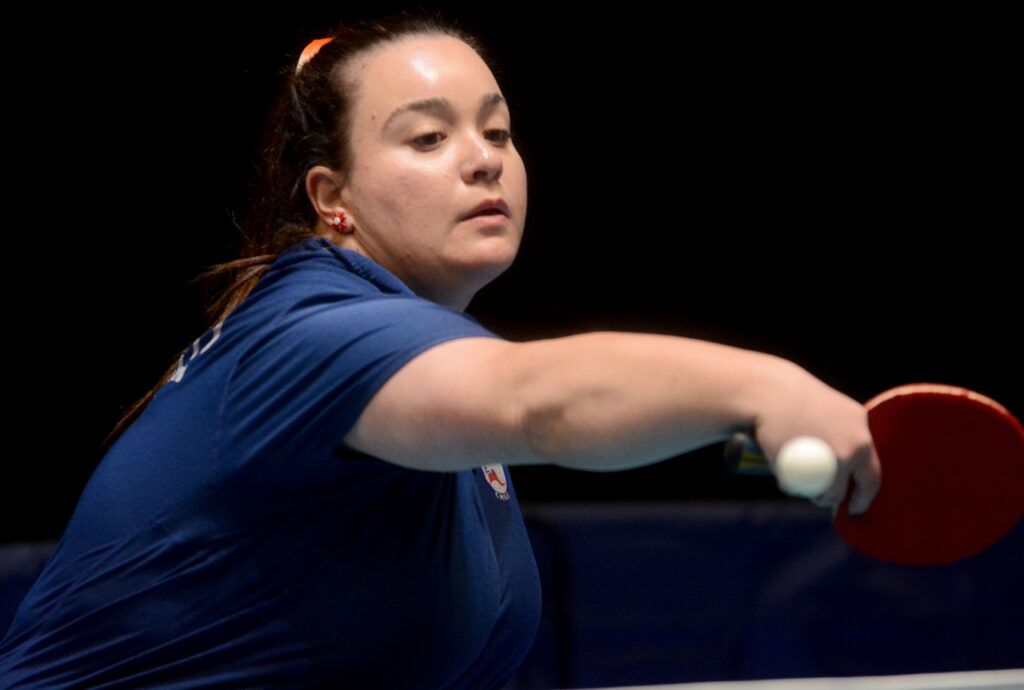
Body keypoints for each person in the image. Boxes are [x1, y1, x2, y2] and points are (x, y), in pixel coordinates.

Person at [0, 10, 880, 689]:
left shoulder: (429, 391)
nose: (484, 160)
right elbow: (543, 402)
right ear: (330, 196)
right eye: (428, 138)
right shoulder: (312, 336)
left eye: (497, 132)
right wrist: (767, 386)